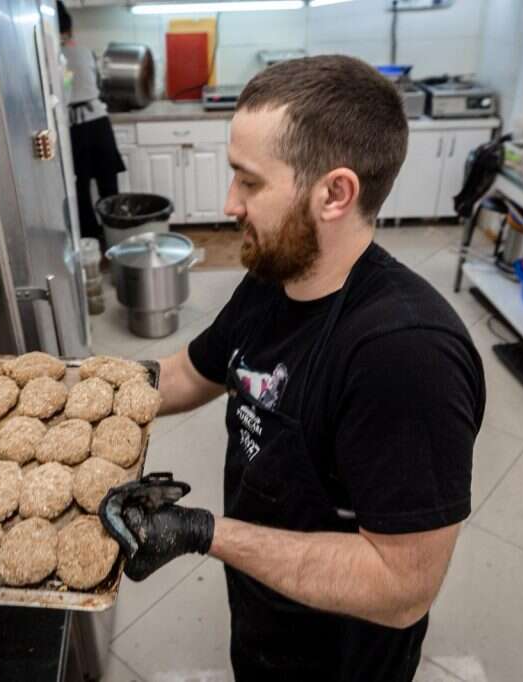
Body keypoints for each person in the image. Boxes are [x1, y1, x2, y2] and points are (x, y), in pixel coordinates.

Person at [108, 56, 485, 681]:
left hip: (339, 660)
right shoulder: (274, 279)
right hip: (263, 617)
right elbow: (186, 374)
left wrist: (203, 532)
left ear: (334, 193)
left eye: (249, 182)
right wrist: (81, 392)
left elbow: (401, 587)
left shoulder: (405, 356)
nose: (229, 202)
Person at [57, 2, 125, 246]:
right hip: (97, 122)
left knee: (80, 188)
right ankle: (115, 236)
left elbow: (62, 93)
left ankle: (89, 239)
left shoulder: (51, 55)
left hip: (73, 127)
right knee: (108, 183)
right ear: (69, 28)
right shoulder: (84, 51)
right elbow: (96, 82)